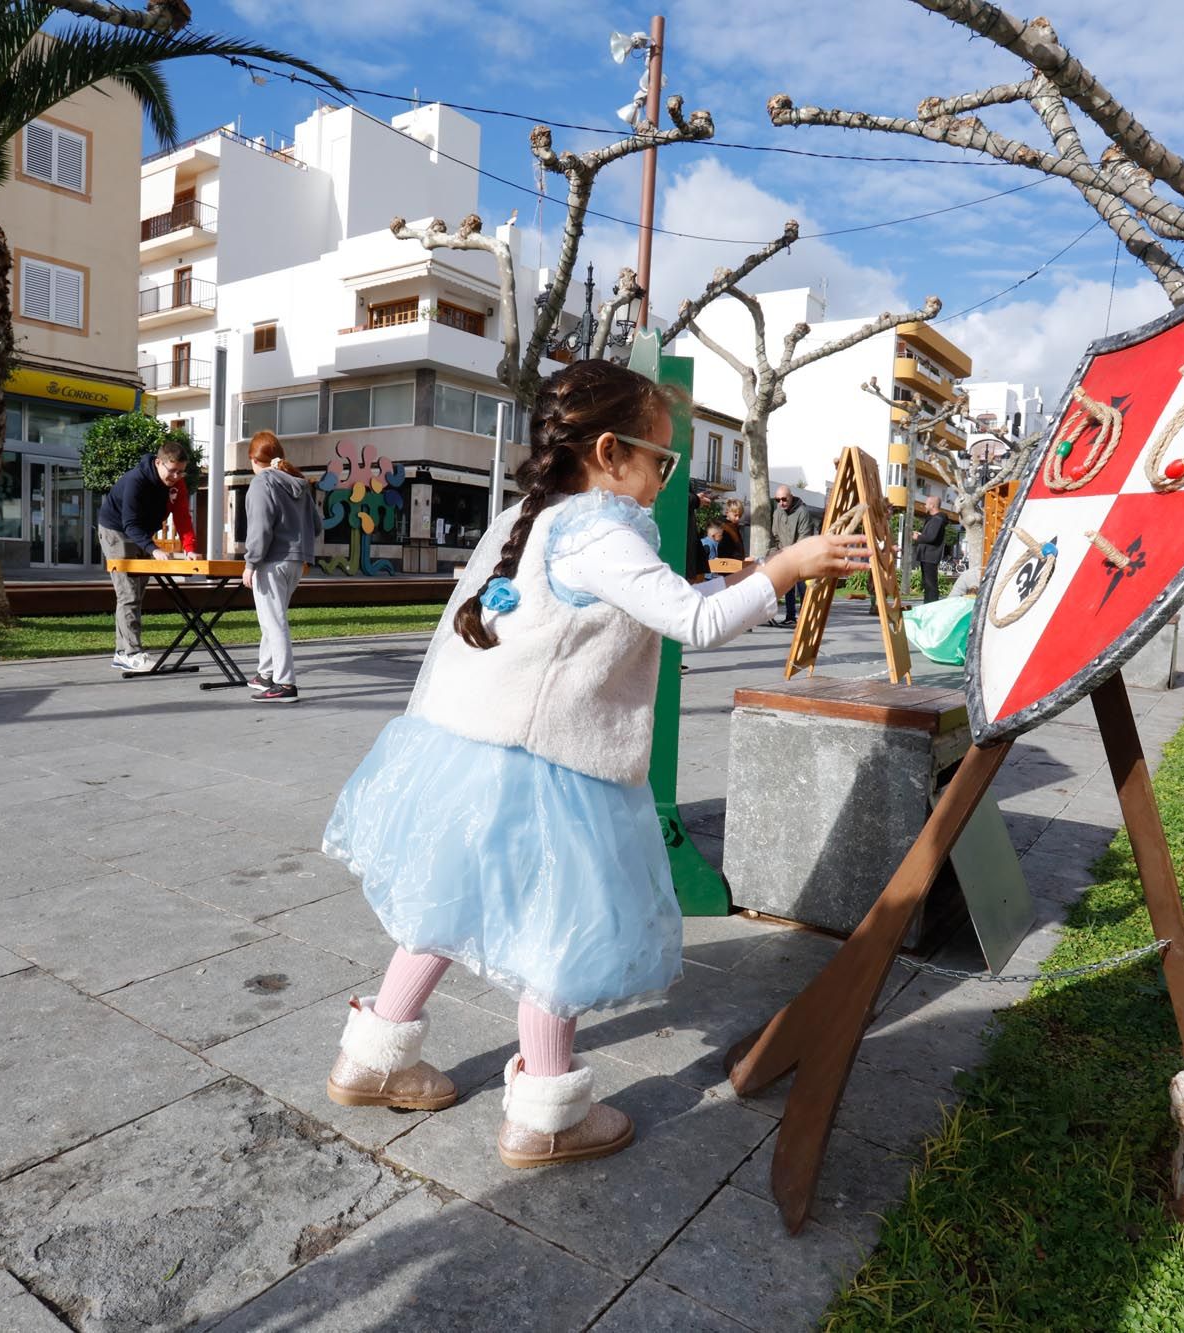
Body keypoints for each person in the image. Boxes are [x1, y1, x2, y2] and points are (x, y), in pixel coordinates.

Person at [318, 359, 866, 1169]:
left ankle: (369, 1061)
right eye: (662, 459)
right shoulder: (602, 532)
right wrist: (782, 569)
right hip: (552, 767)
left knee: (442, 903)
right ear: (610, 452)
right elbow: (697, 621)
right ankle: (545, 1115)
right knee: (557, 932)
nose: (664, 477)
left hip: (479, 750)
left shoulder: (544, 519)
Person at [96, 439, 194, 673]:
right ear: (159, 462)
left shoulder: (177, 484)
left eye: (181, 472)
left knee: (137, 591)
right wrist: (154, 549)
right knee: (128, 592)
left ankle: (123, 652)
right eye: (172, 471)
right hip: (116, 531)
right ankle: (131, 653)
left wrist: (190, 549)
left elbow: (182, 516)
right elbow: (129, 523)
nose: (176, 477)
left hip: (143, 533)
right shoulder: (135, 480)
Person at [243, 431, 324, 703]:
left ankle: (285, 683)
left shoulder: (261, 484)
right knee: (273, 619)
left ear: (254, 459)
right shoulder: (299, 484)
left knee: (274, 622)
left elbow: (260, 528)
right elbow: (318, 525)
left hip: (271, 561)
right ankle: (265, 674)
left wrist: (250, 563)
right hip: (296, 562)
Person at [766, 483, 819, 627]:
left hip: (803, 555)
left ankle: (805, 618)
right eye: (777, 500)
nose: (781, 503)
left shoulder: (803, 512)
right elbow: (775, 535)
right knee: (787, 586)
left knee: (803, 588)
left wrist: (791, 555)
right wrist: (774, 554)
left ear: (791, 497)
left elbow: (804, 537)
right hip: (785, 554)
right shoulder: (777, 512)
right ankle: (790, 616)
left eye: (784, 499)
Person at [914, 494, 948, 604]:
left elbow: (931, 537)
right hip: (927, 555)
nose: (924, 505)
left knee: (930, 584)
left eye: (927, 504)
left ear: (932, 505)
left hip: (930, 555)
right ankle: (927, 604)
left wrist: (918, 537)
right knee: (927, 583)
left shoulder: (937, 519)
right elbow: (930, 535)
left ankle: (931, 605)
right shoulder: (934, 519)